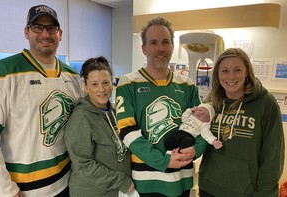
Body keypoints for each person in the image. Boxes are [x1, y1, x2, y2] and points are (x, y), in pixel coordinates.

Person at [115, 16, 208, 197]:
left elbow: (203, 125)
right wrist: (163, 161)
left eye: (166, 42)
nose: (160, 48)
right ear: (144, 49)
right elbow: (127, 131)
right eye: (153, 43)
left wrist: (196, 150)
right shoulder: (128, 83)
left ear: (172, 46)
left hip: (183, 178)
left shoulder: (187, 85)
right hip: (147, 181)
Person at [0, 5, 84, 197]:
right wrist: (7, 190)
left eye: (51, 28)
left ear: (60, 34)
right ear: (26, 32)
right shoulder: (5, 73)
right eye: (37, 27)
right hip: (22, 191)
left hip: (66, 183)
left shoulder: (73, 77)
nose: (45, 34)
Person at [199, 48, 285, 197]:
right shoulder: (211, 102)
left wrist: (265, 193)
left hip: (244, 191)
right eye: (225, 71)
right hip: (209, 187)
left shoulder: (265, 103)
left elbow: (273, 156)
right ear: (217, 74)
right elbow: (199, 136)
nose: (231, 76)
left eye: (237, 70)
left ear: (247, 73)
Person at [64, 56, 136, 197]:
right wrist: (120, 181)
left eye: (105, 83)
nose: (101, 89)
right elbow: (83, 165)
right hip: (91, 192)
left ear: (111, 84)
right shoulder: (81, 118)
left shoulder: (115, 112)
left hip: (115, 191)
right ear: (86, 86)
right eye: (94, 84)